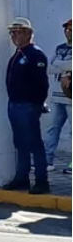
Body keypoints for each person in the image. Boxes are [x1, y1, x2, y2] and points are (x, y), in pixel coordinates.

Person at [3, 17, 50, 194]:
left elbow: (41, 84)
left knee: (34, 144)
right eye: (12, 32)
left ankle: (41, 180)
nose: (14, 36)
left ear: (28, 34)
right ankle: (22, 178)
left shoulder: (35, 54)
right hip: (15, 104)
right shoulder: (18, 53)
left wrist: (37, 104)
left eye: (18, 32)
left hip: (28, 105)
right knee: (20, 143)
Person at [45, 19, 72, 174]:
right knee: (52, 129)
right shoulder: (59, 48)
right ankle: (47, 160)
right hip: (57, 95)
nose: (68, 32)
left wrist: (60, 65)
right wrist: (65, 67)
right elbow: (48, 67)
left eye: (71, 29)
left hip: (71, 96)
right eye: (67, 29)